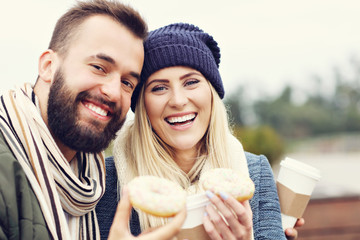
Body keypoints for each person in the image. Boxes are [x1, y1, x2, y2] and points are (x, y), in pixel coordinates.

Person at [96, 22, 303, 239]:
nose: (178, 100)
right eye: (159, 88)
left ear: (212, 93)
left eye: (191, 82)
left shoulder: (255, 173)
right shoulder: (105, 181)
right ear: (141, 105)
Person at [0, 1, 186, 239]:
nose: (114, 92)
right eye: (99, 67)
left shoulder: (94, 186)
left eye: (127, 82)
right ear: (48, 67)